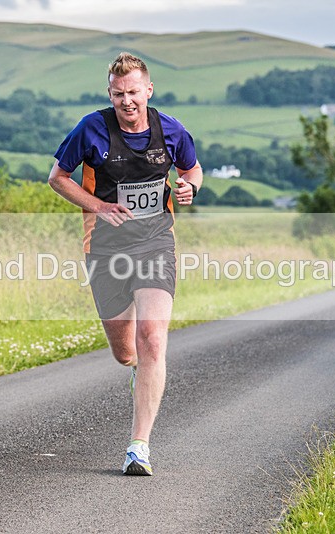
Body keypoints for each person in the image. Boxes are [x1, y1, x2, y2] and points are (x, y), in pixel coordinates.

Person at [47, 52, 203, 476]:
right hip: (105, 250)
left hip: (155, 243)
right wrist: (98, 205)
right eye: (118, 94)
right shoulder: (91, 128)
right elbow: (57, 178)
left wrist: (188, 187)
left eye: (133, 92)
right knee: (125, 352)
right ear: (109, 94)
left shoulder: (170, 128)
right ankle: (136, 371)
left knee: (153, 338)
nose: (126, 101)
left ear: (148, 90)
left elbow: (192, 169)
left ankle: (139, 446)